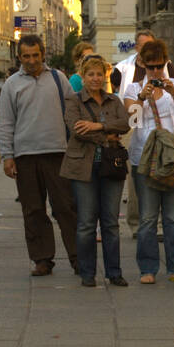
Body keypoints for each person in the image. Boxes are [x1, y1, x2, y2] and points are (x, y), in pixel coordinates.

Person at [0, 34, 79, 277]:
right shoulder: (12, 84)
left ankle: (78, 257)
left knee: (66, 208)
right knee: (33, 210)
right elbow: (5, 123)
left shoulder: (58, 78)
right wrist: (7, 156)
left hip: (58, 153)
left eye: (35, 55)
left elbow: (73, 111)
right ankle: (42, 259)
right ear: (19, 57)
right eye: (26, 56)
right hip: (25, 156)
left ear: (43, 54)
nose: (31, 60)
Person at [122, 38, 174, 284]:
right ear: (142, 64)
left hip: (173, 155)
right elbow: (131, 122)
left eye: (159, 66)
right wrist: (141, 98)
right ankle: (148, 269)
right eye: (150, 67)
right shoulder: (133, 89)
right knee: (147, 218)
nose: (155, 72)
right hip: (144, 156)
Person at [62, 55, 130, 287]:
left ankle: (114, 272)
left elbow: (125, 124)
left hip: (111, 166)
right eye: (90, 74)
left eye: (99, 74)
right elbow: (77, 130)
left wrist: (97, 125)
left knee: (110, 222)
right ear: (83, 76)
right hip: (83, 166)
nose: (95, 78)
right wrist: (107, 135)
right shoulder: (73, 100)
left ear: (105, 76)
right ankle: (87, 272)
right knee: (86, 222)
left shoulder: (113, 100)